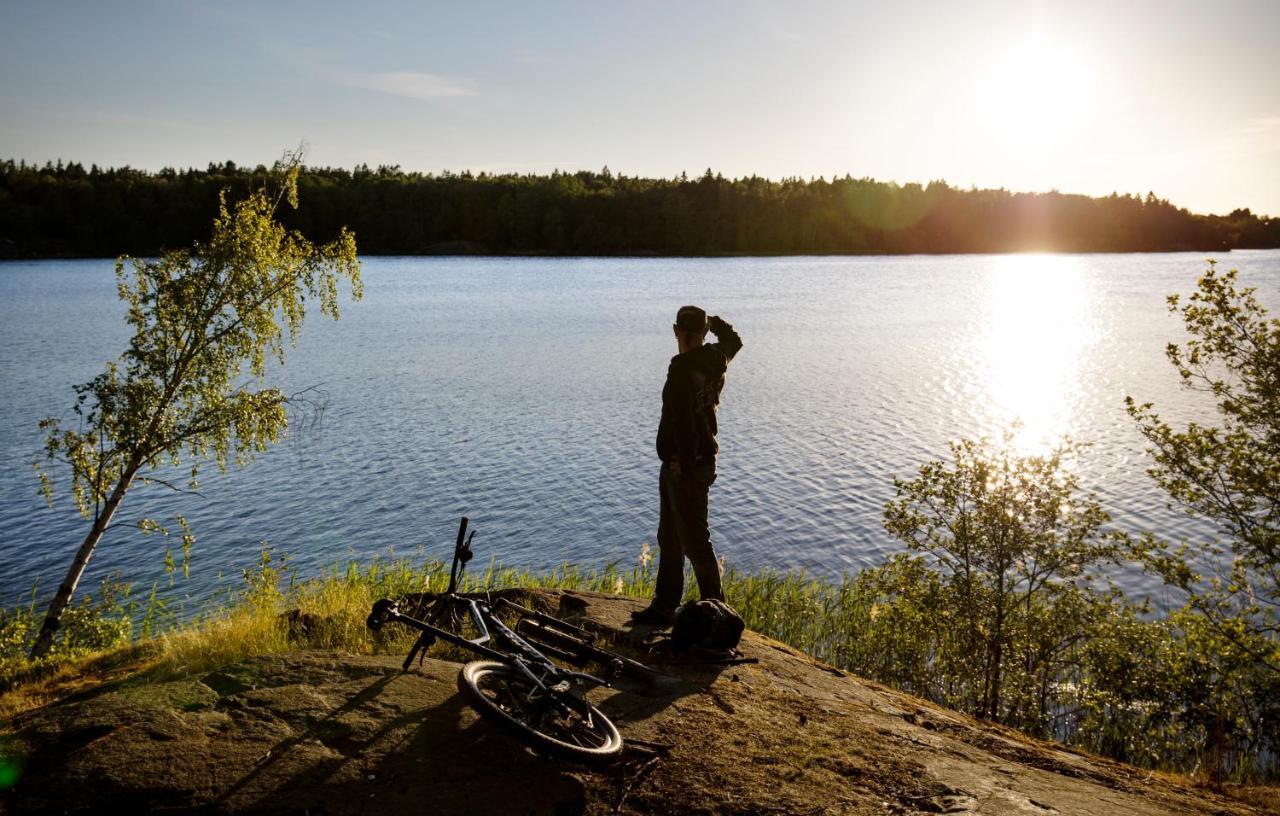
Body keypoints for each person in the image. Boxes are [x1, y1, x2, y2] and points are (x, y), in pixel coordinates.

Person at [632, 305, 743, 625]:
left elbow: (682, 422)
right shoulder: (716, 358)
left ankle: (717, 611)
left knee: (694, 540)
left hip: (686, 466)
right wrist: (716, 325)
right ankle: (665, 606)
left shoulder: (681, 368)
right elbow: (734, 341)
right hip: (695, 461)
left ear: (676, 330)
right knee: (670, 537)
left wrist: (685, 466)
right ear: (703, 332)